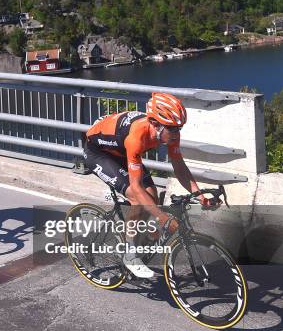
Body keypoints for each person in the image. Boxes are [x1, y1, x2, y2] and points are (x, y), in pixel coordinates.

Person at [83, 92, 217, 278]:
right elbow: (137, 187)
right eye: (173, 129)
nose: (177, 134)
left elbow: (178, 166)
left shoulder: (168, 131)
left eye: (180, 128)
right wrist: (161, 217)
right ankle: (129, 255)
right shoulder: (137, 136)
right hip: (99, 154)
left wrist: (199, 195)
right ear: (155, 124)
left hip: (121, 152)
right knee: (138, 198)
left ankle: (139, 237)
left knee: (152, 196)